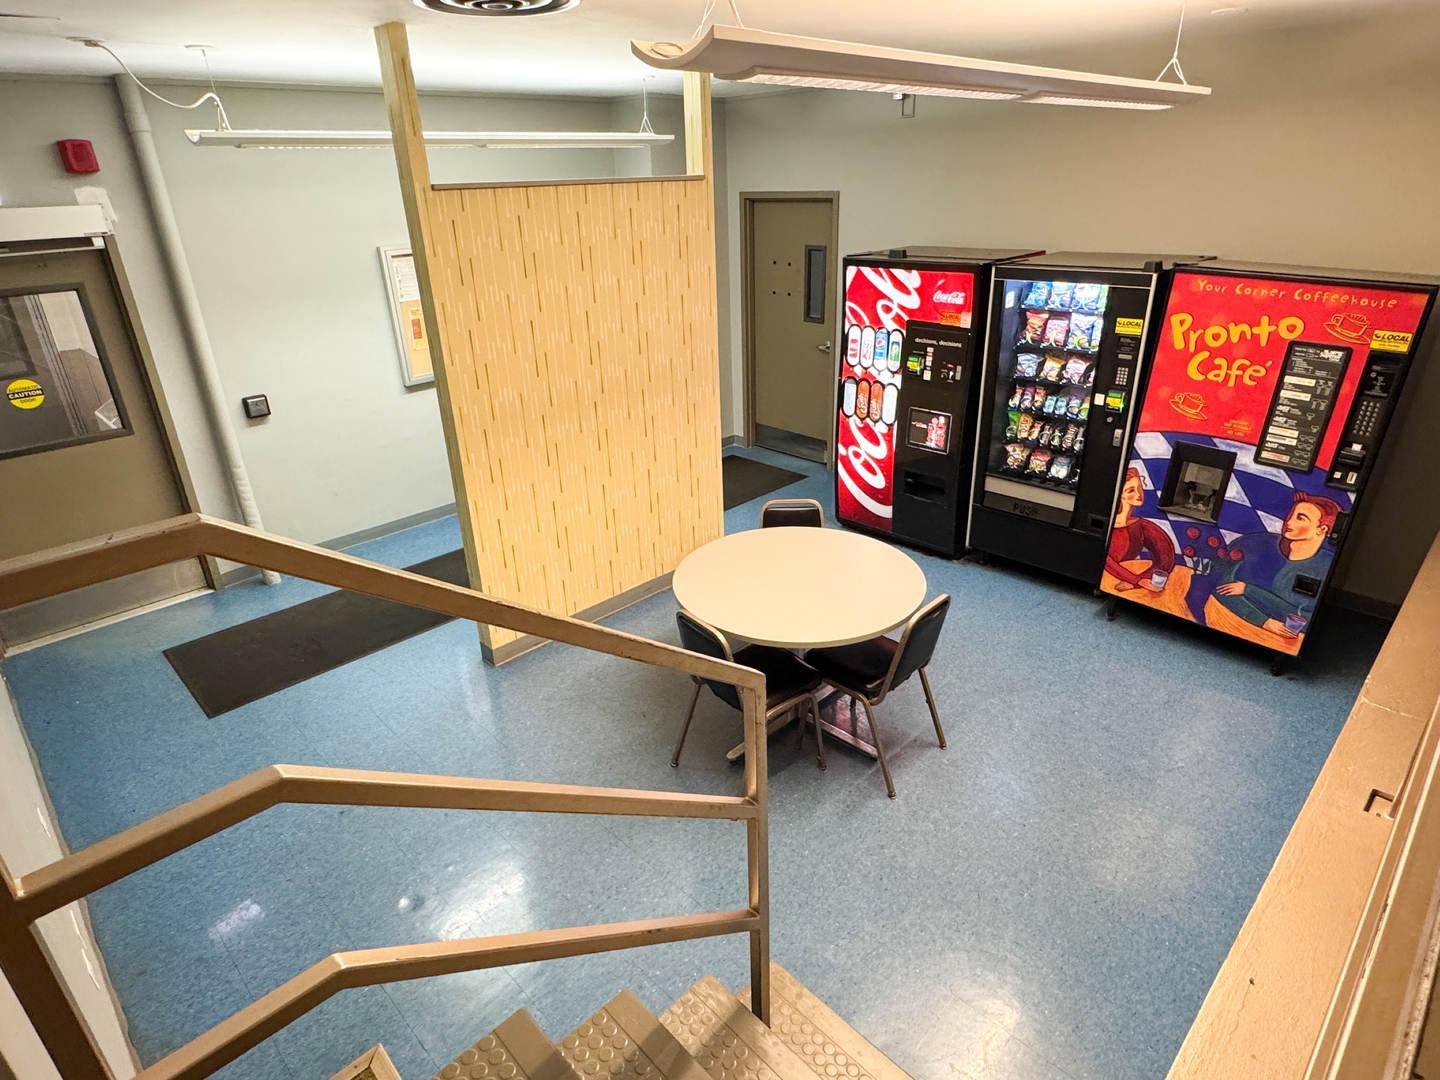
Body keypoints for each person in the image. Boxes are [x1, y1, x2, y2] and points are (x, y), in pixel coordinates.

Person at [1211, 491, 1342, 638]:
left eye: (1300, 518)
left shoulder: (1328, 566)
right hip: (1227, 626)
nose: (1289, 522)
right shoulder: (1252, 544)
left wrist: (1249, 590)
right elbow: (1220, 587)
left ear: (1322, 529)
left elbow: (1308, 618)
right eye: (1290, 515)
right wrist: (1265, 621)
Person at [1106, 467, 1176, 592]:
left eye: (1140, 488)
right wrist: (1137, 580)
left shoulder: (1142, 526)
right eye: (1131, 490)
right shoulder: (1108, 523)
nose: (1138, 494)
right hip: (1108, 579)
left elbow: (1166, 558)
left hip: (1124, 583)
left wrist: (1138, 582)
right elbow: (1106, 560)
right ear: (1119, 494)